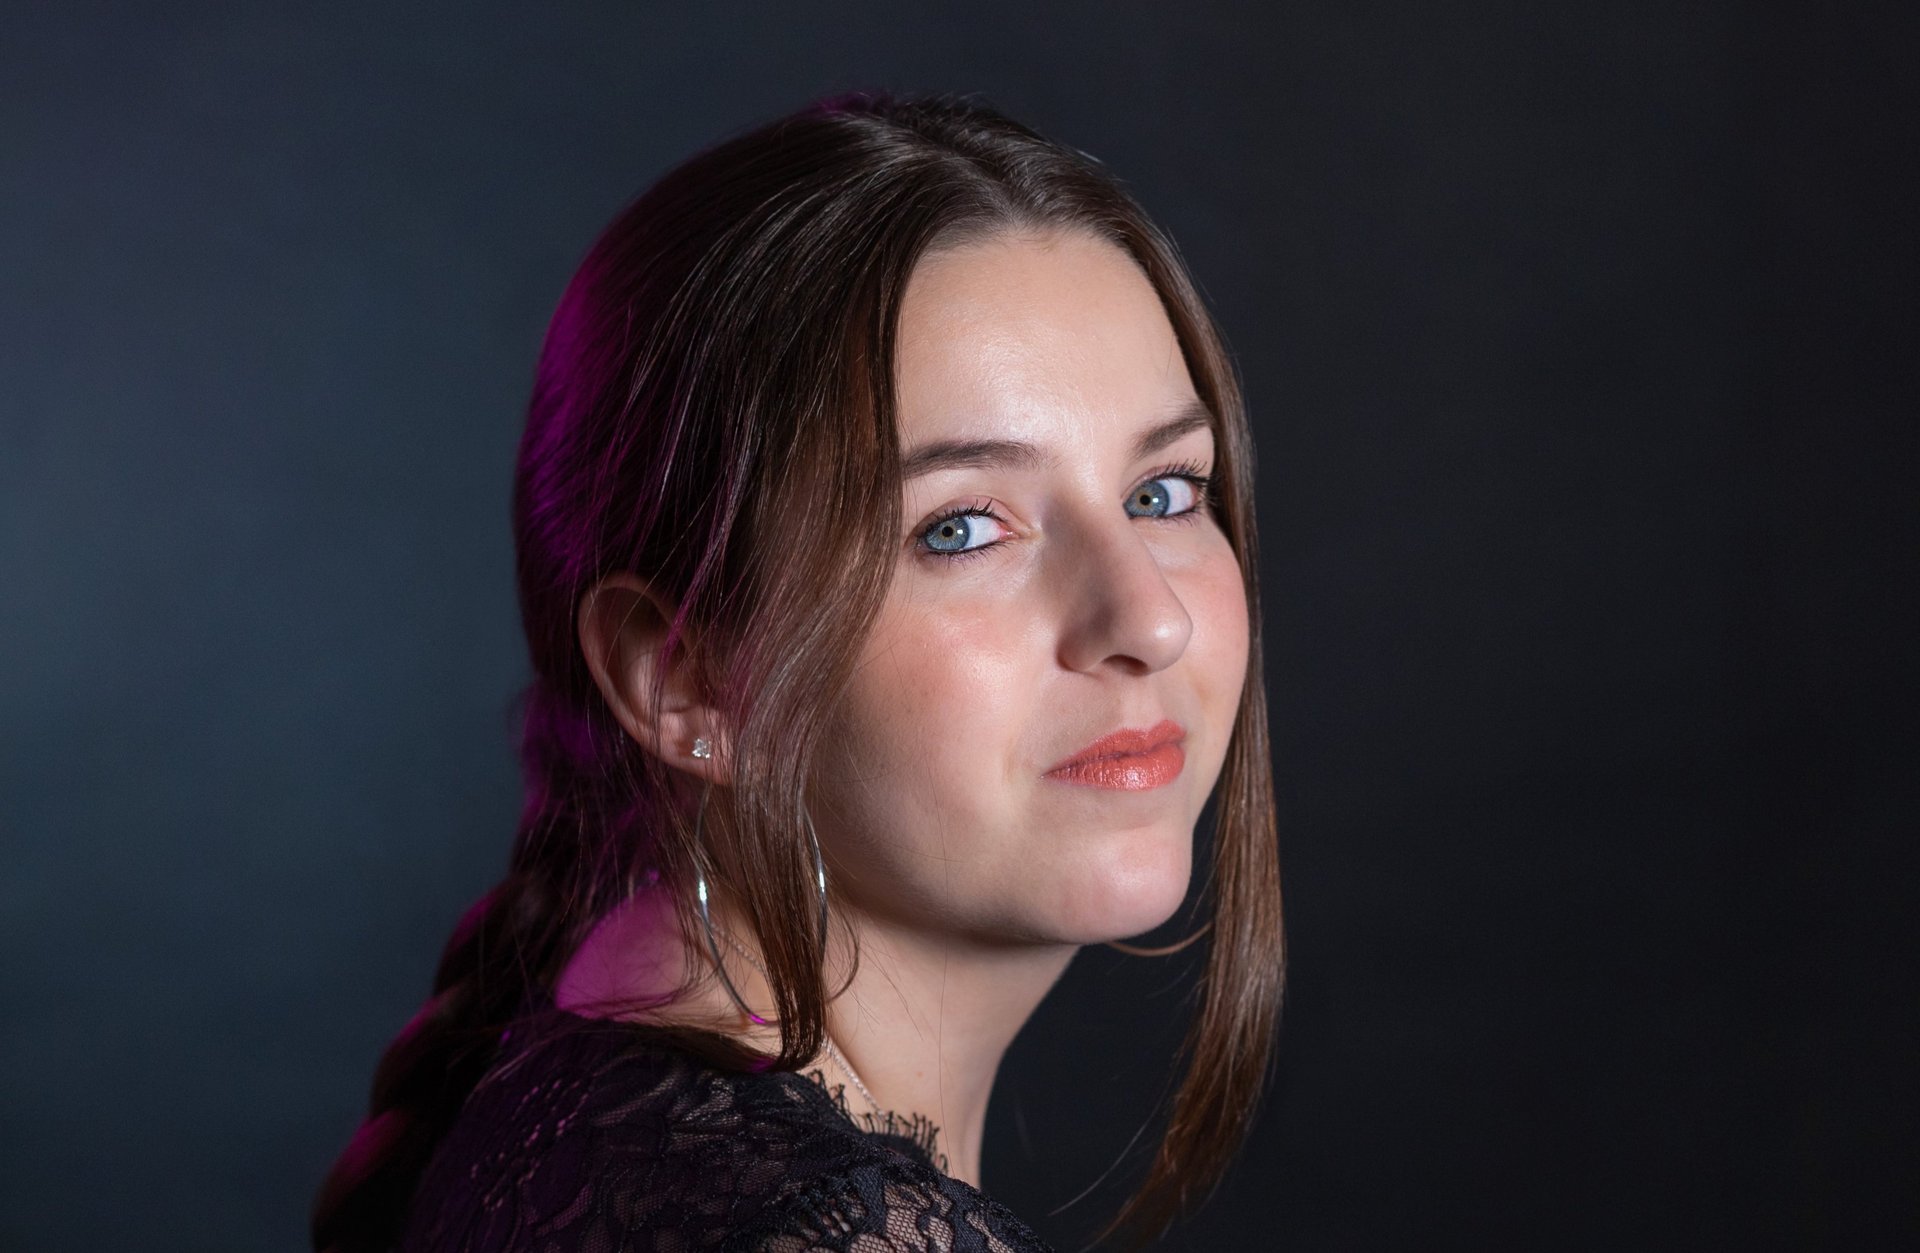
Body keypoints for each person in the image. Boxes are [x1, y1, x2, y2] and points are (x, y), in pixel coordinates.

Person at [311, 90, 1283, 1253]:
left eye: (1163, 491)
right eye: (962, 526)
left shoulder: (598, 1084)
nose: (1150, 618)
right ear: (684, 680)